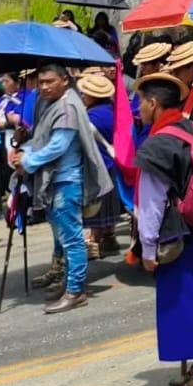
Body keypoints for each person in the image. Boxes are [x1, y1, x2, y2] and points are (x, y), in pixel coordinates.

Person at [132, 73, 193, 386]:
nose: (138, 107)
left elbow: (152, 201)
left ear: (154, 104)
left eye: (141, 101)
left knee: (186, 304)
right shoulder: (192, 129)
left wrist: (148, 246)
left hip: (176, 236)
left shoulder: (157, 143)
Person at [9, 62, 114, 314]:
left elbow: (58, 145)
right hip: (55, 179)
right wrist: (25, 140)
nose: (44, 86)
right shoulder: (51, 104)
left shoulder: (67, 107)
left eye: (50, 81)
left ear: (65, 80)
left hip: (67, 180)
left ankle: (76, 290)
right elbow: (44, 137)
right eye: (41, 82)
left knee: (72, 238)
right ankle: (69, 282)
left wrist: (28, 160)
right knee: (63, 237)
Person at [76, 71, 124, 259]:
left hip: (100, 165)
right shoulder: (113, 111)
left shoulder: (92, 117)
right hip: (114, 163)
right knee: (108, 205)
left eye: (85, 93)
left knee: (97, 207)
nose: (82, 97)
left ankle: (95, 242)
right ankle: (109, 237)